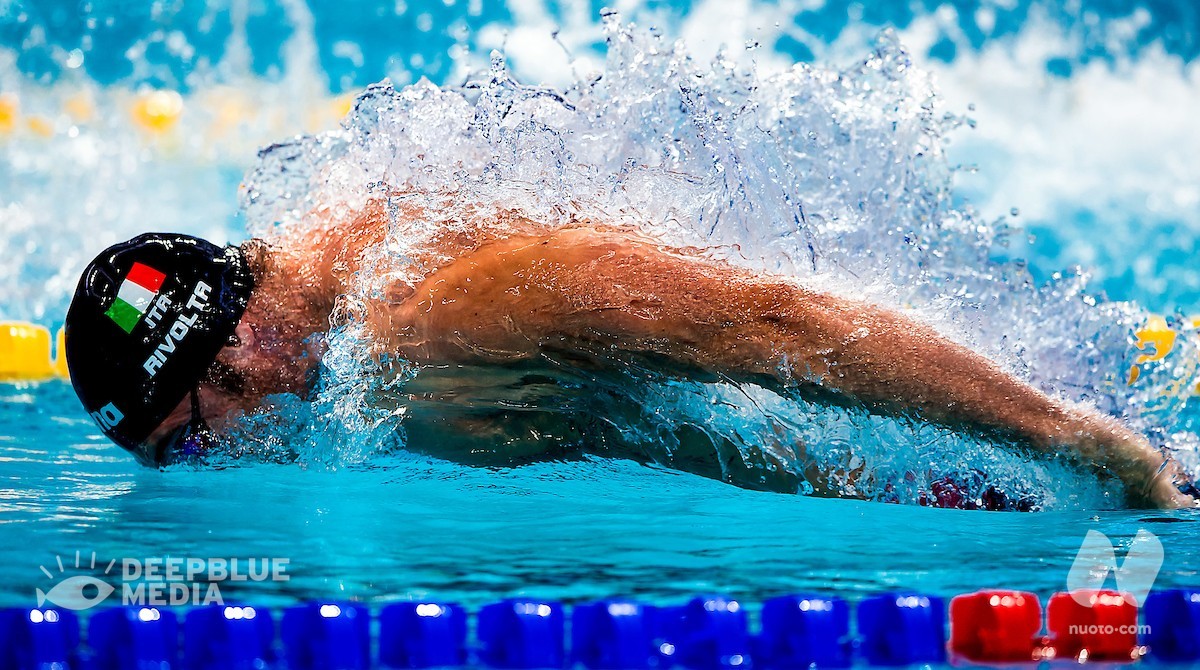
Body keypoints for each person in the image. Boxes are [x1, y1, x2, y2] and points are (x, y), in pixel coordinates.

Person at [64, 200, 1198, 509]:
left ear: (242, 353)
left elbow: (774, 325)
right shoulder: (346, 341)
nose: (214, 476)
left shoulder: (444, 322)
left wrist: (1067, 437)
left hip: (1042, 447)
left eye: (191, 450)